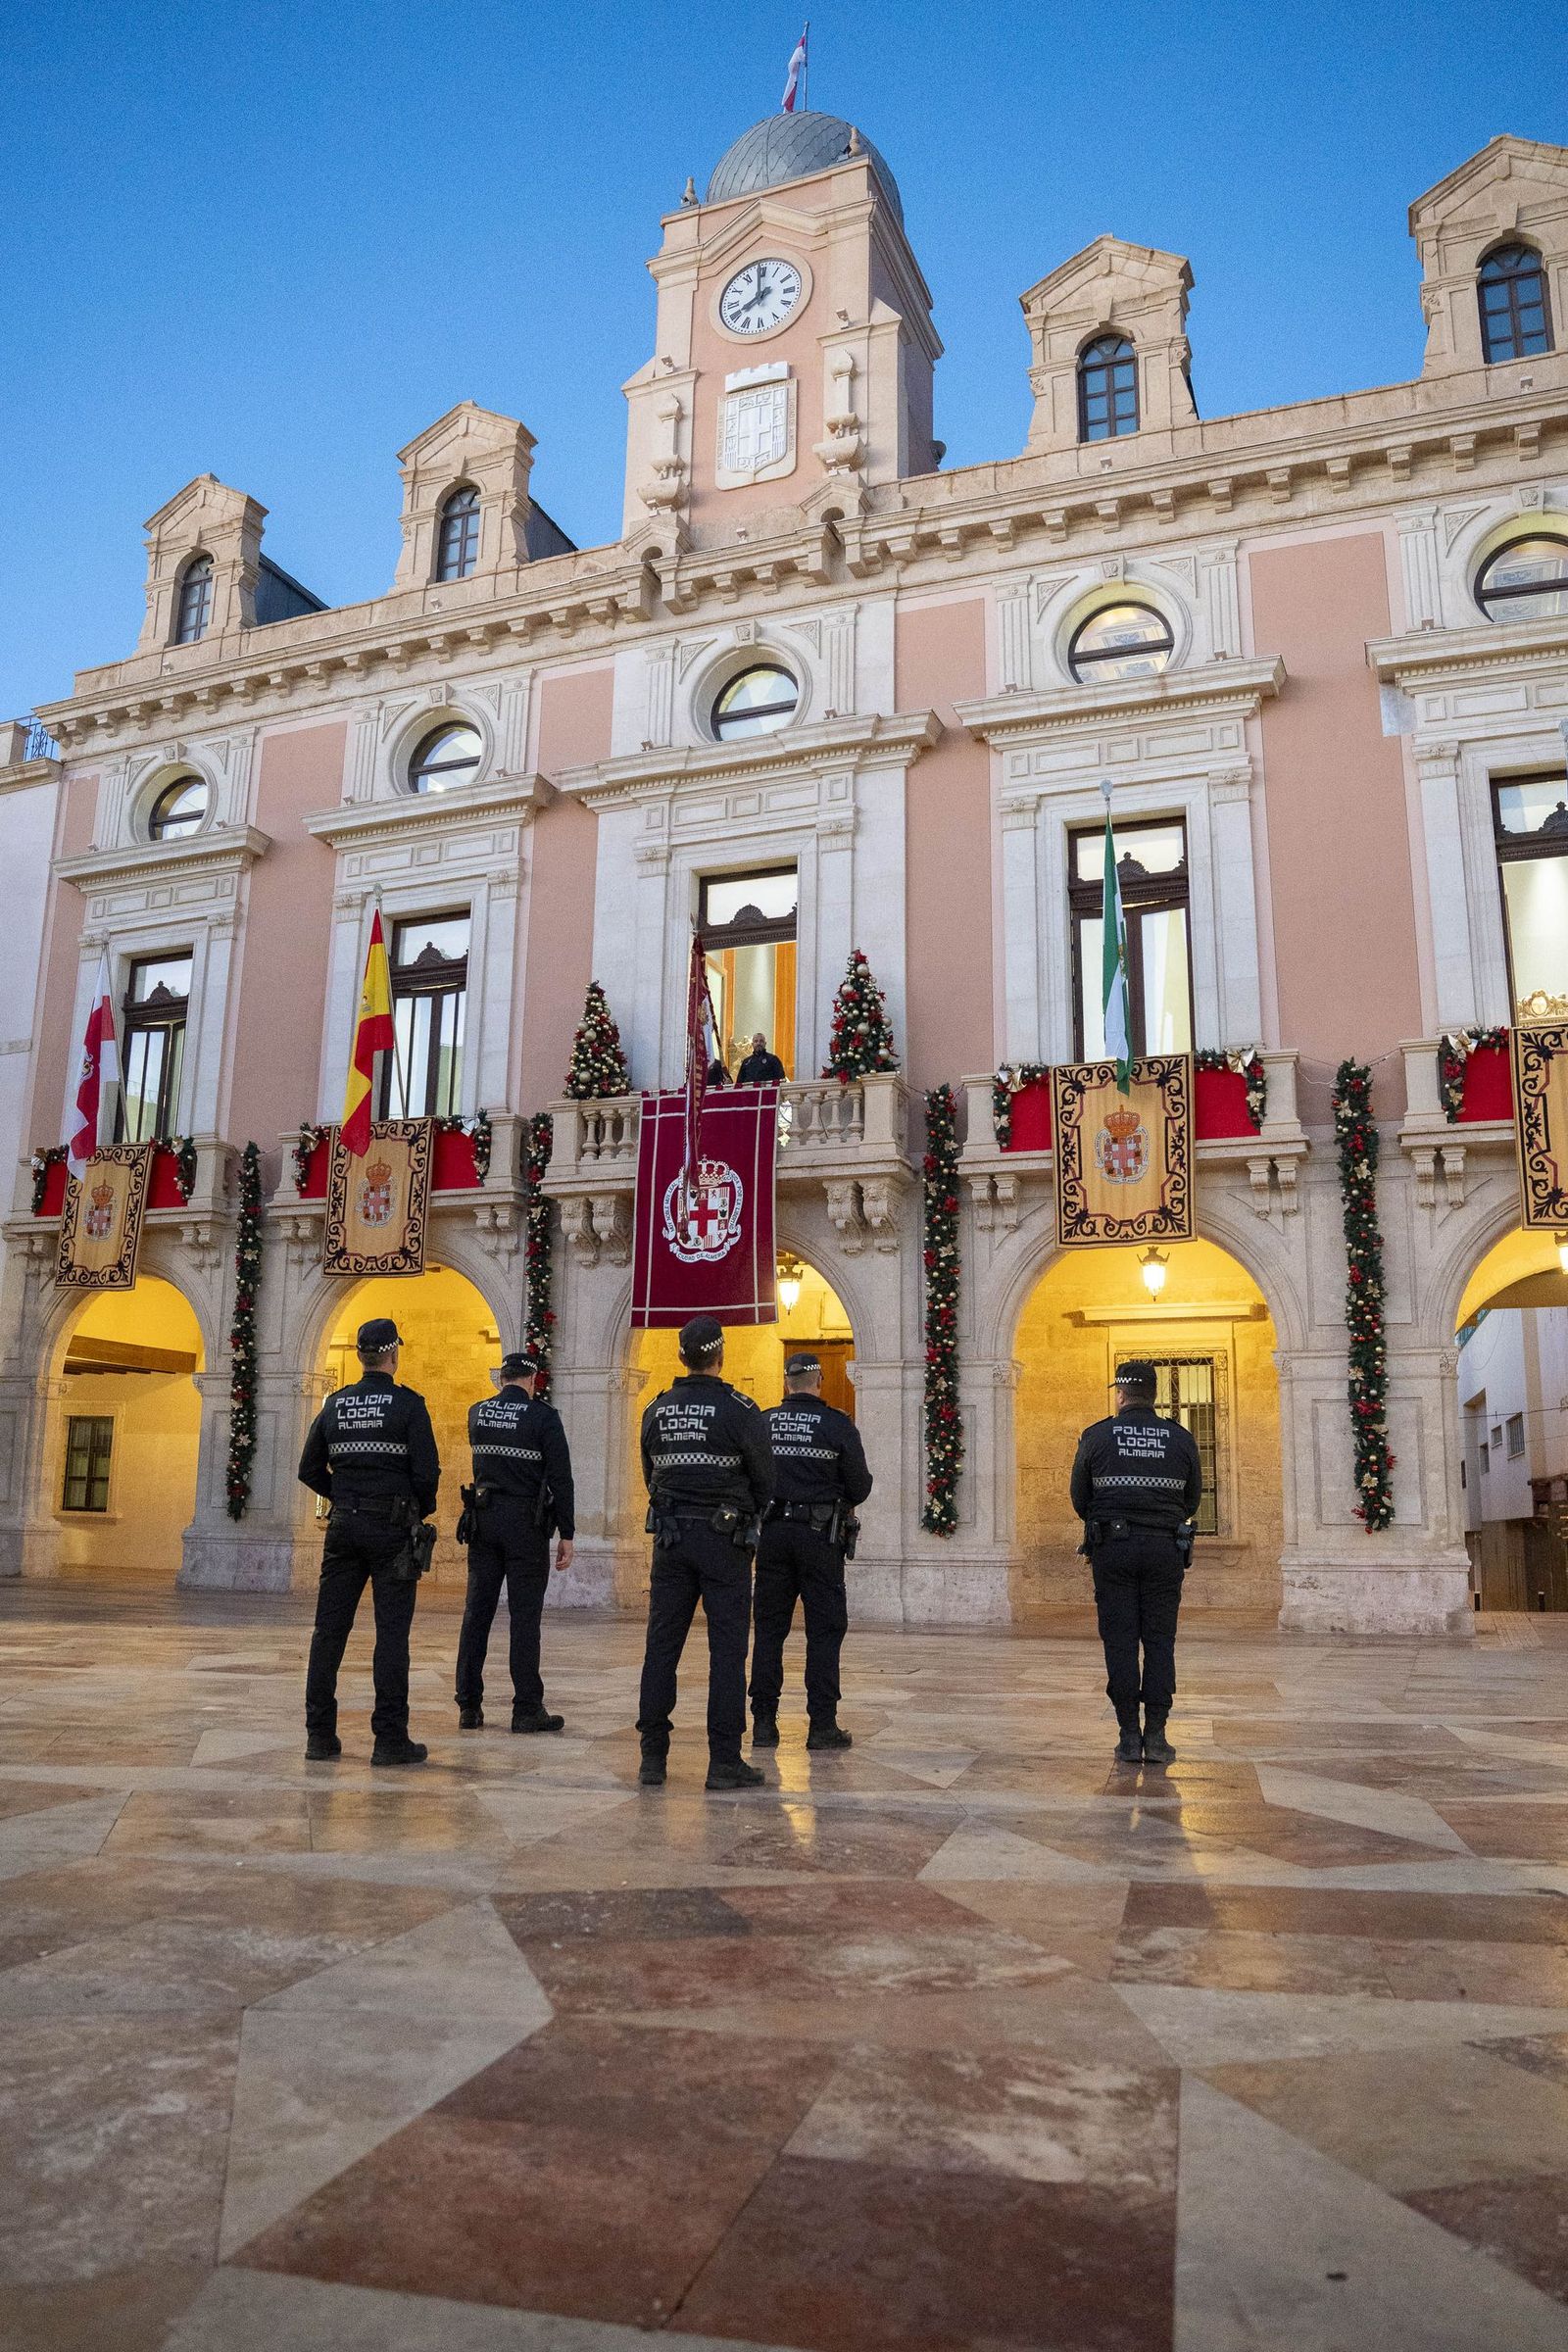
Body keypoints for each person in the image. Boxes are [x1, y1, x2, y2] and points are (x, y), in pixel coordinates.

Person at [636, 1314, 774, 1791]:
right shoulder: (741, 1410)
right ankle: (724, 1761)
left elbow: (650, 1473)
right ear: (721, 1357)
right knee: (727, 1653)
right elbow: (765, 1481)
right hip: (723, 1542)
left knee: (661, 1648)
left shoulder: (656, 1409)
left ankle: (653, 1758)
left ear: (681, 1357)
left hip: (671, 1540)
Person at [298, 1316, 440, 1766]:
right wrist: (415, 1509)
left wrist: (343, 1496)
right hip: (392, 1530)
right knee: (392, 1635)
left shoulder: (336, 1404)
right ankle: (389, 1739)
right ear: (393, 1354)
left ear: (361, 1356)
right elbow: (427, 1474)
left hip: (343, 1527)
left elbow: (308, 1468)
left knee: (328, 1632)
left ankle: (320, 1736)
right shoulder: (408, 1405)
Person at [1069, 1358, 1202, 1767]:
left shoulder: (1096, 1436)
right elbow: (1192, 1500)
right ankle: (1157, 1737)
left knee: (1120, 1642)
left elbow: (1080, 1500)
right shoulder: (1180, 1438)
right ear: (1154, 1394)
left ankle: (1129, 1736)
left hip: (1114, 1549)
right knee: (1160, 1641)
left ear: (1121, 1395)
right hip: (1164, 1551)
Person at [750, 1351, 873, 1751]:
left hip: (772, 1535)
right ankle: (822, 1725)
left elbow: (748, 1477)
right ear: (819, 1381)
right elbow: (860, 1486)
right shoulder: (837, 1424)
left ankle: (764, 1724)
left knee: (769, 1630)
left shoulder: (763, 1422)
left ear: (787, 1382)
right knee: (824, 1631)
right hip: (820, 1538)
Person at [454, 1348, 575, 1734]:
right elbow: (561, 1478)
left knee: (477, 1613)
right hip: (525, 1525)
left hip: (483, 1520)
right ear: (532, 1380)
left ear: (502, 1378)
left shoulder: (477, 1413)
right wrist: (567, 1533)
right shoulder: (543, 1417)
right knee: (524, 1618)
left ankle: (468, 1705)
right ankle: (526, 1708)